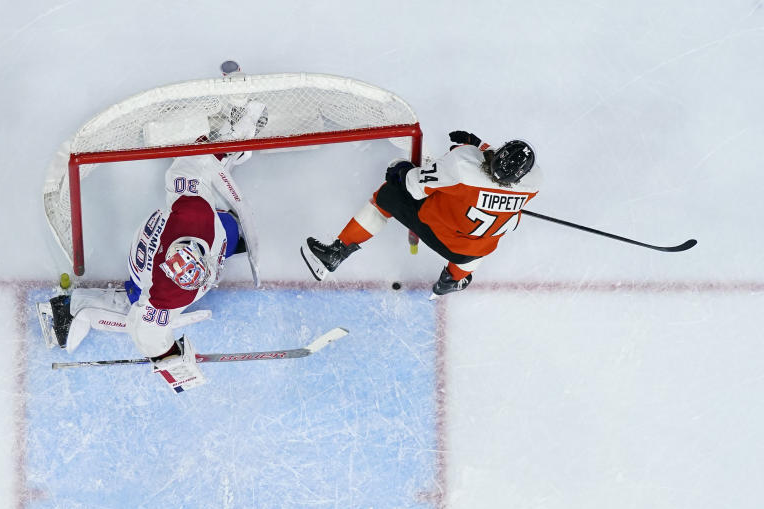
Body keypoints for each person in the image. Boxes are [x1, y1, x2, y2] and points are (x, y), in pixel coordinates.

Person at [45, 100, 268, 394]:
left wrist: (166, 355)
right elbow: (147, 331)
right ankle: (75, 307)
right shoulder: (171, 282)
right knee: (138, 299)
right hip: (167, 258)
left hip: (190, 246)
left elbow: (194, 163)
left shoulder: (191, 217)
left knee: (197, 184)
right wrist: (168, 359)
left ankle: (234, 144)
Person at [300, 131, 542, 297]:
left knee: (387, 196)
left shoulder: (462, 164)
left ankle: (336, 252)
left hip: (438, 228)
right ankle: (451, 281)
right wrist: (480, 145)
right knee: (477, 245)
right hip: (471, 252)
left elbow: (413, 187)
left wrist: (400, 170)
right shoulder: (533, 183)